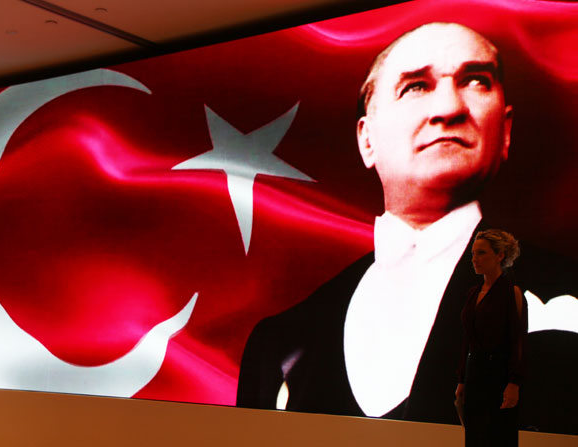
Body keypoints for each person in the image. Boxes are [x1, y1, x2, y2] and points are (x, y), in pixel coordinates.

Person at [237, 21, 578, 435]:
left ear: (505, 131)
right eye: (415, 86)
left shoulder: (566, 291)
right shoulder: (281, 341)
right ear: (367, 140)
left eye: (475, 81)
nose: (449, 108)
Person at [456, 230, 526, 446]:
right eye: (473, 253)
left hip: (499, 374)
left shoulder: (511, 292)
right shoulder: (473, 293)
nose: (475, 259)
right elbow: (467, 339)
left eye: (482, 253)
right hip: (474, 373)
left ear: (500, 255)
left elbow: (517, 340)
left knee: (498, 435)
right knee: (475, 436)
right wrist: (462, 379)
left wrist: (514, 382)